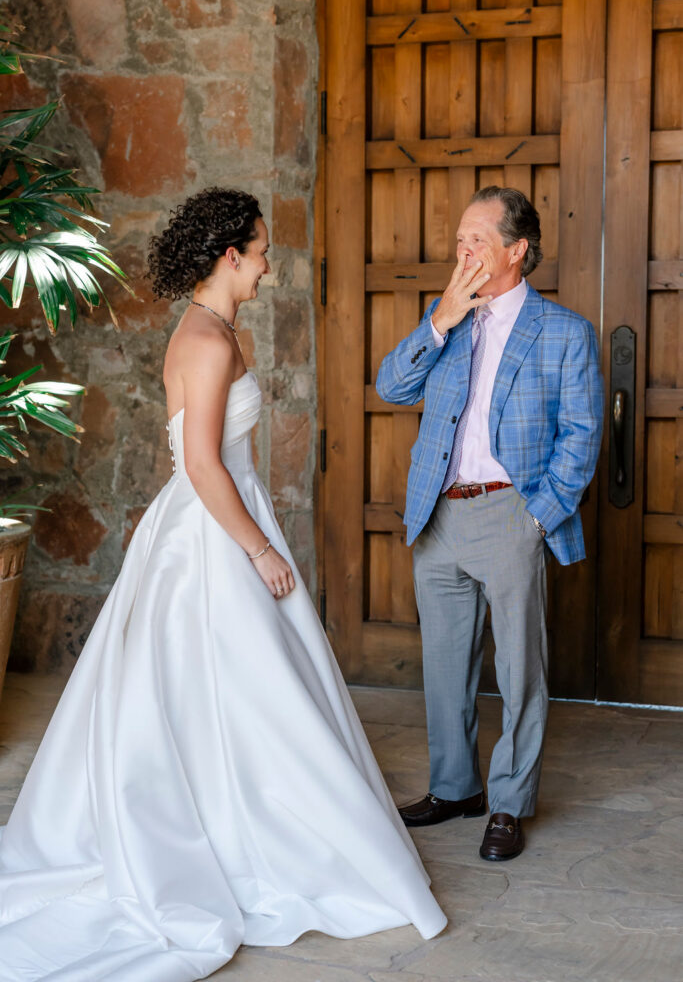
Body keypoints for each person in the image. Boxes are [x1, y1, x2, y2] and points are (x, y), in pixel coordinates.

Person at [0, 188, 446, 980]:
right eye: (263, 248)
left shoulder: (212, 329)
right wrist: (258, 552)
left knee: (245, 693)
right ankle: (249, 840)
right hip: (212, 534)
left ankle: (253, 822)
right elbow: (203, 463)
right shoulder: (206, 341)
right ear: (229, 256)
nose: (272, 261)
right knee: (246, 687)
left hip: (215, 518)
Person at [376, 186, 603, 862]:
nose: (461, 247)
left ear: (515, 249)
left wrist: (537, 515)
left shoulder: (563, 332)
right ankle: (453, 788)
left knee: (518, 667)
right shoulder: (445, 318)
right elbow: (391, 386)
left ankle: (507, 803)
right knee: (446, 664)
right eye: (459, 237)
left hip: (510, 510)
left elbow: (581, 435)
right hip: (437, 512)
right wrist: (439, 320)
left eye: (476, 237)